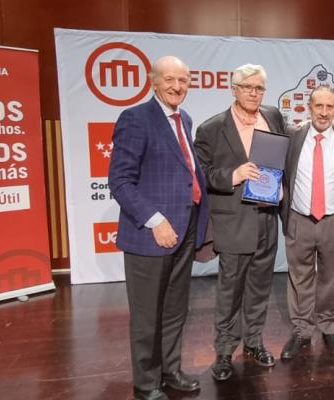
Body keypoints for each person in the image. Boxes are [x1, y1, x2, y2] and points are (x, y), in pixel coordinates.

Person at [109, 56, 208, 400]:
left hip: (185, 230)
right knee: (147, 315)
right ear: (153, 81)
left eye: (183, 80)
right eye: (169, 80)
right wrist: (155, 220)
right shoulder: (136, 118)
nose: (177, 86)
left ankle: (171, 370)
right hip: (152, 235)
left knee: (174, 309)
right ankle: (146, 384)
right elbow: (120, 181)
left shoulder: (185, 119)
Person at [194, 64, 285, 382]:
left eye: (259, 88)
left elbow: (283, 152)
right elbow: (202, 173)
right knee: (230, 289)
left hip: (266, 216)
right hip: (233, 219)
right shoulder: (211, 128)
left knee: (260, 287)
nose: (254, 93)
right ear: (233, 88)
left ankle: (254, 342)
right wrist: (233, 175)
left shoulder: (273, 116)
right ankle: (223, 351)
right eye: (247, 87)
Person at [279, 86, 334, 359]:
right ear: (309, 107)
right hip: (299, 218)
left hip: (332, 219)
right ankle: (301, 330)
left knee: (331, 277)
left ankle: (329, 327)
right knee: (299, 276)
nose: (324, 112)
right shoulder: (292, 136)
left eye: (329, 107)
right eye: (319, 106)